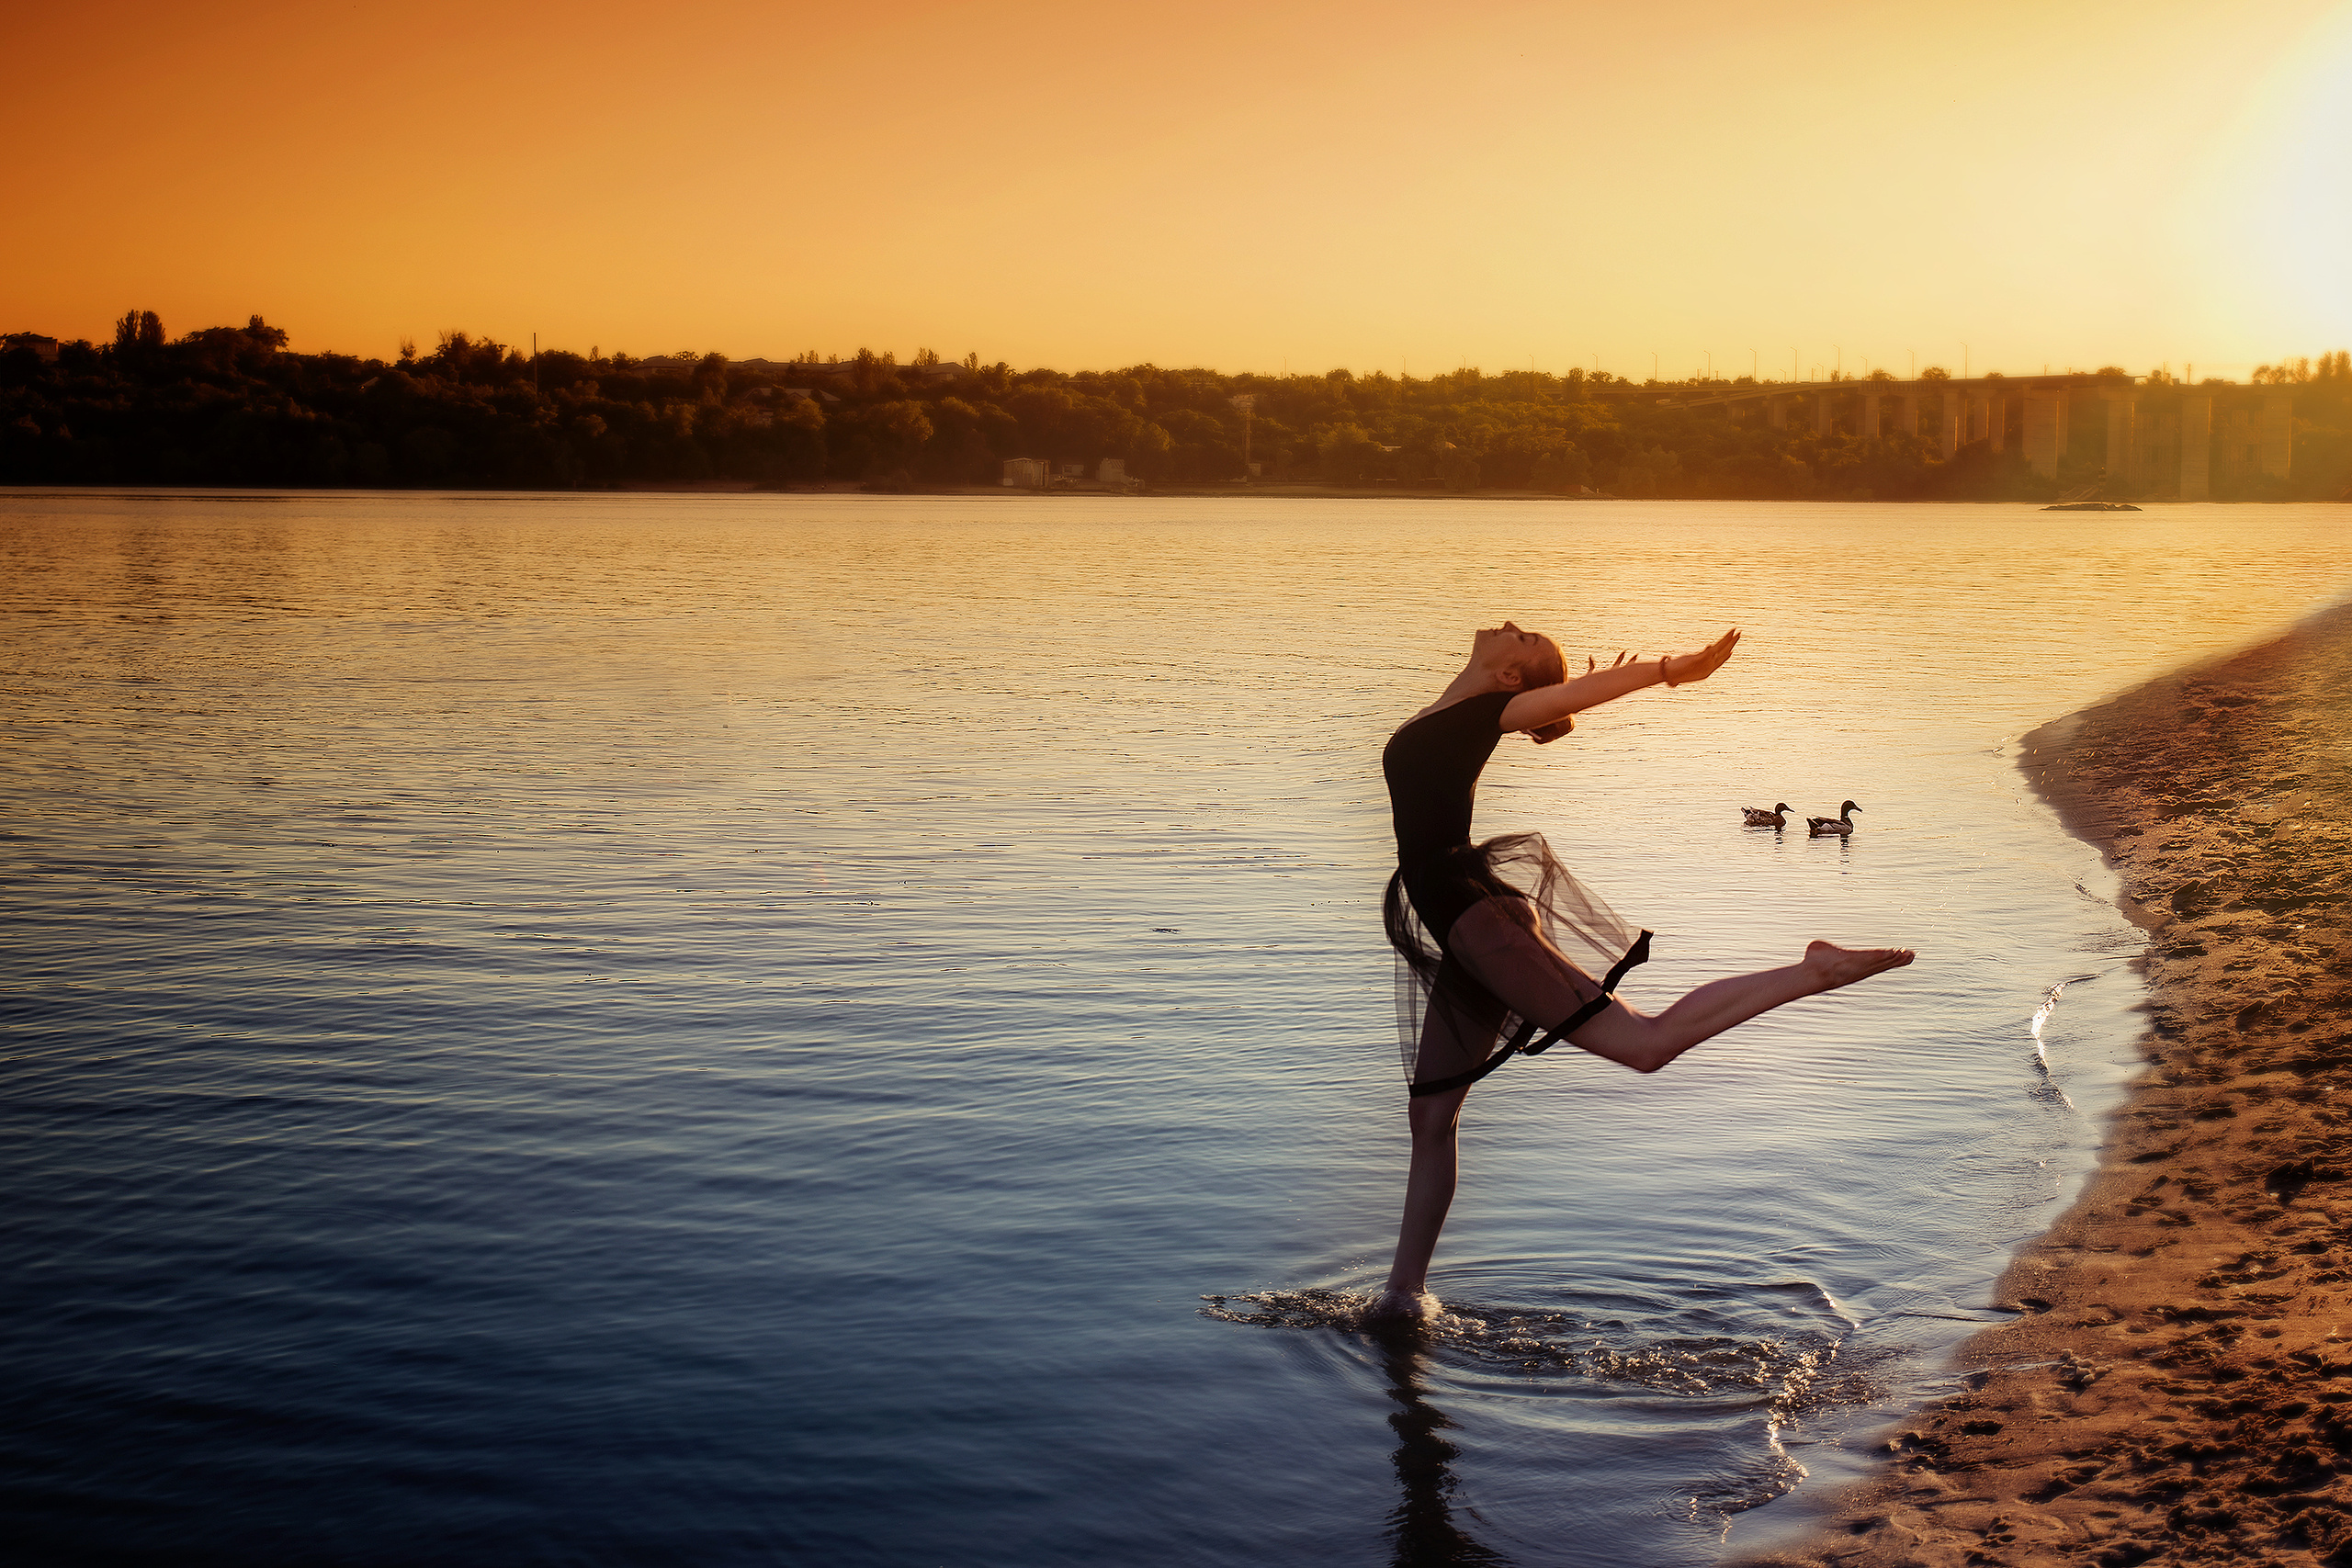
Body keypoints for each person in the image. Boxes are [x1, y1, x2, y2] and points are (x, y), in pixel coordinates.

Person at [1367, 622, 1914, 1325]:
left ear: (1510, 679)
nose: (1513, 625)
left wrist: (1665, 671)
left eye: (1526, 637)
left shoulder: (1485, 710)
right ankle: (1404, 1297)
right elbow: (1544, 706)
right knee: (1432, 1113)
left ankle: (1810, 972)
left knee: (1644, 1045)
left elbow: (1554, 701)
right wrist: (1565, 705)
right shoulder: (1460, 704)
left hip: (1481, 924)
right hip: (1463, 923)